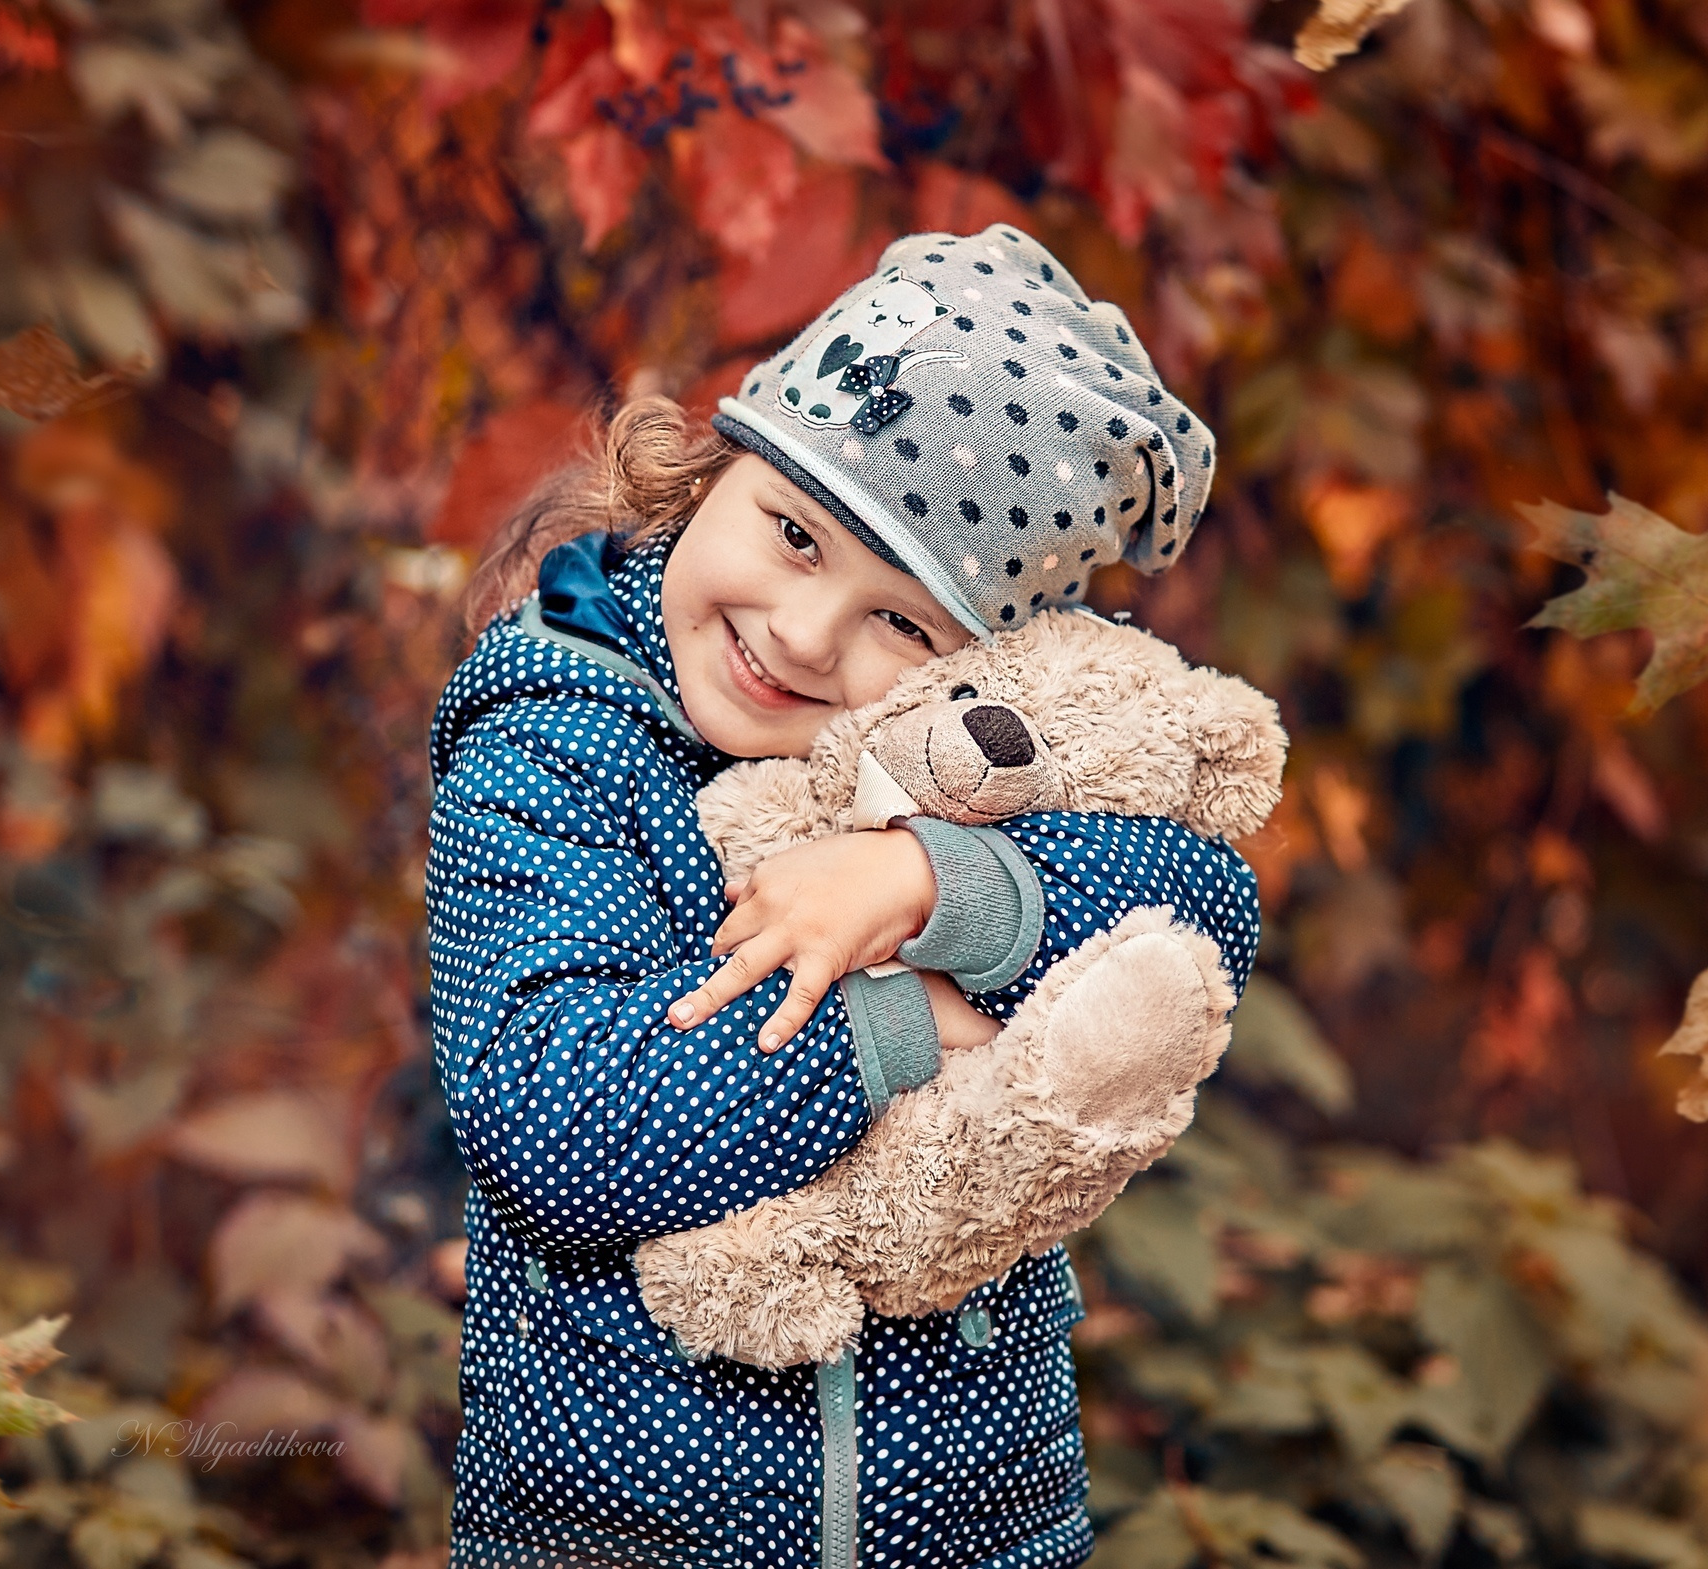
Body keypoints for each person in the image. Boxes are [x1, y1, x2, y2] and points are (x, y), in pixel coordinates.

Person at [425, 225, 1262, 1569]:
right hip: (626, 1529)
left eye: (906, 624)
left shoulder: (972, 750)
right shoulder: (556, 739)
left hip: (982, 1517)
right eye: (799, 534)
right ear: (722, 464)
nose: (807, 637)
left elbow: (1202, 912)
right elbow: (553, 1120)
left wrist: (937, 879)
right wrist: (906, 1018)